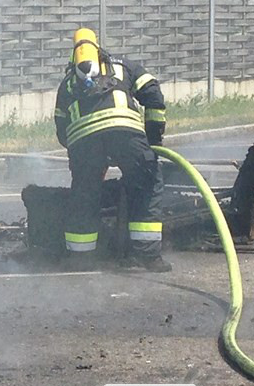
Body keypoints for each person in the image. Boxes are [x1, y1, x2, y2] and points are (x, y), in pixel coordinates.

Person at [54, 28, 169, 270]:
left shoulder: (67, 84)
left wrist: (87, 159)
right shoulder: (125, 66)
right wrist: (153, 138)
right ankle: (146, 256)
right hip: (126, 132)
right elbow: (153, 95)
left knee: (84, 194)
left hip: (83, 142)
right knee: (146, 183)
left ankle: (80, 258)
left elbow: (62, 130)